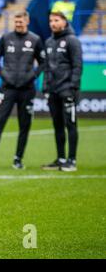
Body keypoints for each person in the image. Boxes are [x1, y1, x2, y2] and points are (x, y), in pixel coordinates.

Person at [0, 11, 45, 170]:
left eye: (21, 22)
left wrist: (33, 76)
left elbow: (43, 62)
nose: (18, 25)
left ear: (27, 21)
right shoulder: (6, 38)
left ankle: (18, 159)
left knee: (24, 125)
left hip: (27, 89)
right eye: (16, 22)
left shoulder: (35, 40)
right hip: (7, 88)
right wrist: (3, 74)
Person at [41, 11, 83, 172]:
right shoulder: (49, 42)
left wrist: (73, 87)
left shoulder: (72, 41)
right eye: (51, 20)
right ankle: (61, 158)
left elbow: (77, 66)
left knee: (70, 125)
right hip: (52, 90)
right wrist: (45, 86)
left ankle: (71, 160)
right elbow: (46, 67)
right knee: (57, 125)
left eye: (56, 20)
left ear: (65, 22)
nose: (53, 23)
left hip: (67, 90)